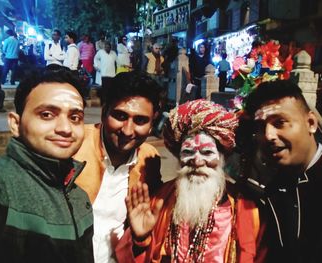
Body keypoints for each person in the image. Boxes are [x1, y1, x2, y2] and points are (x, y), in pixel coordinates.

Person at [116, 99, 263, 262]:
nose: (197, 161)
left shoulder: (244, 208)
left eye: (207, 152)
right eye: (188, 152)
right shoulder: (160, 202)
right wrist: (140, 240)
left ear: (222, 158)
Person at [0, 68, 94, 262]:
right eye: (46, 114)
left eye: (75, 117)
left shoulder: (79, 197)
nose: (65, 129)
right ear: (15, 124)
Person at [74, 71, 163, 262]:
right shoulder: (75, 144)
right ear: (104, 111)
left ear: (152, 121)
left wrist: (140, 238)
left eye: (140, 120)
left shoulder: (150, 159)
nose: (128, 130)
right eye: (120, 116)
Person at [240, 80, 321, 263]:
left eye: (280, 122)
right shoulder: (271, 185)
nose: (268, 136)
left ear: (310, 123)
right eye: (261, 127)